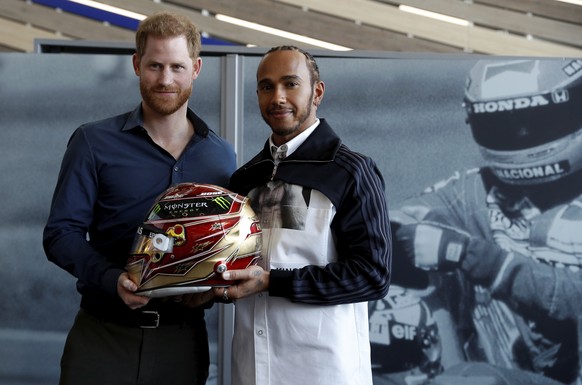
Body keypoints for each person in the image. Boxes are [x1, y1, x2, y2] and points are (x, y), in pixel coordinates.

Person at [42, 11, 236, 385]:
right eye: (155, 66)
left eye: (177, 67)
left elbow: (222, 244)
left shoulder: (220, 155)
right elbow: (60, 234)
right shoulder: (92, 142)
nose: (166, 79)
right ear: (136, 65)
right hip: (102, 337)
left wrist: (212, 293)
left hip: (183, 342)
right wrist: (112, 278)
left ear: (196, 69)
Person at [392, 58, 582, 385]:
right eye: (504, 126)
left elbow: (572, 297)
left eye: (536, 121)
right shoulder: (476, 191)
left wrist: (474, 256)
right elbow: (394, 219)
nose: (521, 134)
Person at [212, 45, 392, 385]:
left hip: (324, 371)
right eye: (267, 86)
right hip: (250, 368)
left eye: (290, 84)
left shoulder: (351, 171)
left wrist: (271, 282)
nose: (277, 97)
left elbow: (372, 275)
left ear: (317, 92)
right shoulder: (245, 178)